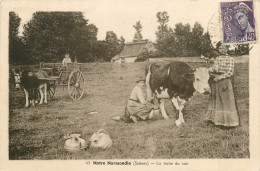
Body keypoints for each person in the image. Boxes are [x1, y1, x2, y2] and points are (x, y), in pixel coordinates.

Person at [205, 45, 239, 127]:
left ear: (227, 49)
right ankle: (216, 121)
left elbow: (230, 73)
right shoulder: (217, 58)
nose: (221, 50)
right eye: (220, 48)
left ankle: (228, 123)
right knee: (216, 100)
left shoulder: (230, 59)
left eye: (223, 48)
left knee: (225, 101)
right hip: (215, 82)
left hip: (225, 81)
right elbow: (214, 69)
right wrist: (205, 69)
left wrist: (219, 78)